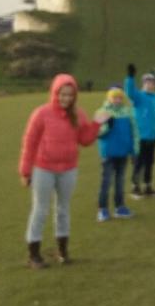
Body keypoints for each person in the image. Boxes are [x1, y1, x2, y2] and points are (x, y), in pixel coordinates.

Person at [19, 74, 109, 268]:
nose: (66, 98)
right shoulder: (41, 114)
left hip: (68, 170)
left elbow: (85, 140)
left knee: (63, 209)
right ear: (55, 93)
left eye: (70, 95)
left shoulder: (78, 114)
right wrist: (25, 171)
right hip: (43, 168)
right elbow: (30, 142)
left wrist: (96, 124)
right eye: (63, 94)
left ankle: (63, 251)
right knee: (40, 210)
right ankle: (34, 255)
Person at [95, 85, 139, 222]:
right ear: (109, 98)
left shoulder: (128, 111)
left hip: (123, 152)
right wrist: (108, 126)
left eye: (120, 97)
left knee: (120, 181)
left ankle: (120, 207)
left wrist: (135, 149)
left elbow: (135, 130)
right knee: (106, 181)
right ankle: (102, 209)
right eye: (115, 97)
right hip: (108, 153)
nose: (118, 100)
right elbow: (97, 132)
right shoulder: (102, 112)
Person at [124, 64, 155, 198]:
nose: (150, 85)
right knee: (139, 162)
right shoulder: (139, 97)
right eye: (147, 82)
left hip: (153, 138)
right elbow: (130, 92)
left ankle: (147, 185)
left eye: (152, 82)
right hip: (141, 137)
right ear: (143, 84)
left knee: (150, 162)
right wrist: (130, 77)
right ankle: (135, 187)